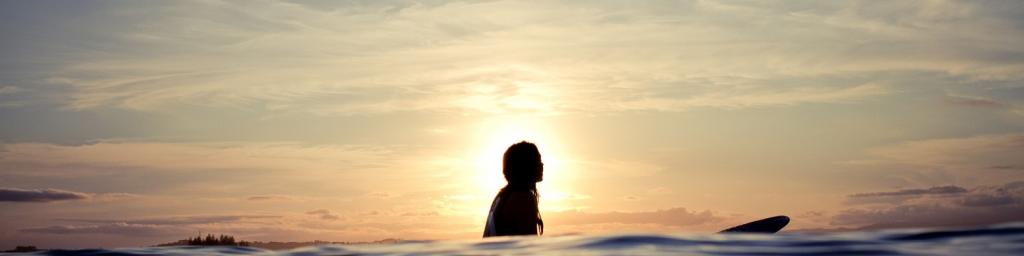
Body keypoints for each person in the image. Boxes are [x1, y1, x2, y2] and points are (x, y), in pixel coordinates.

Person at [482, 141, 545, 237]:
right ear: (526, 166)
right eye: (538, 160)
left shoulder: (502, 196)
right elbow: (528, 247)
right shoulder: (523, 198)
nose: (542, 164)